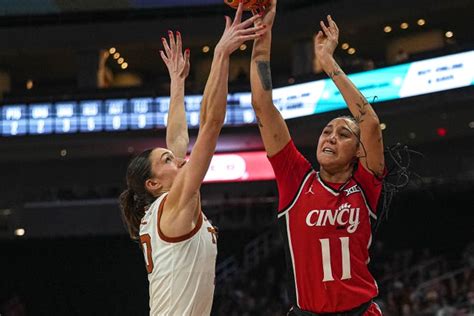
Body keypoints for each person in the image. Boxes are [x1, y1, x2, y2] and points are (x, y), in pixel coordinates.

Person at [119, 4, 266, 315]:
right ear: (153, 183)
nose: (180, 160)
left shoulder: (164, 207)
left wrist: (177, 82)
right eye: (169, 161)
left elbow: (177, 140)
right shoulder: (172, 206)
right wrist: (221, 55)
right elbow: (212, 123)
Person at [250, 1, 385, 315]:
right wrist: (263, 37)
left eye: (343, 134)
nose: (331, 137)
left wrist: (327, 62)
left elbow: (370, 124)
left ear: (357, 152)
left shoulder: (366, 184)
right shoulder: (296, 178)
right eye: (327, 131)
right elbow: (263, 106)